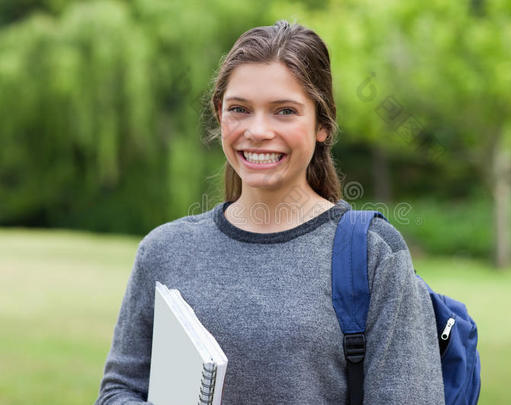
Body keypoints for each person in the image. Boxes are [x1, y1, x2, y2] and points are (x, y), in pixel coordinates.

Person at [94, 20, 444, 404]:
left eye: (284, 111)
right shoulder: (164, 251)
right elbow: (120, 390)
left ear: (322, 125)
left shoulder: (373, 254)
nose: (257, 130)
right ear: (219, 114)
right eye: (240, 109)